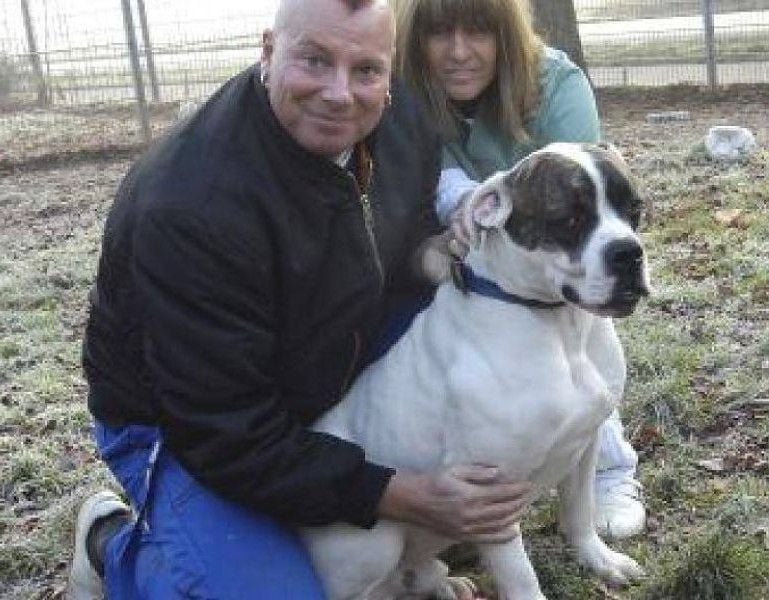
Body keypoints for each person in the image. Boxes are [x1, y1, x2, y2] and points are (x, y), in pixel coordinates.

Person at [67, 0, 533, 598]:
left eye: (366, 70)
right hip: (183, 425)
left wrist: (444, 251)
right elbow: (225, 432)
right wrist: (400, 495)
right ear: (268, 52)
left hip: (324, 361)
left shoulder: (400, 122)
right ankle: (110, 548)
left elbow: (408, 249)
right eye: (314, 61)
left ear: (389, 71)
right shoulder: (192, 204)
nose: (340, 94)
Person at [394, 0, 646, 540]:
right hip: (459, 257)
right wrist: (456, 214)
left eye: (479, 30)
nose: (459, 52)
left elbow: (593, 187)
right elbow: (406, 200)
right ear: (415, 39)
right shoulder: (401, 93)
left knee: (586, 336)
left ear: (506, 32)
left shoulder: (555, 80)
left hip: (552, 256)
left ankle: (608, 461)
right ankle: (458, 471)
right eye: (440, 33)